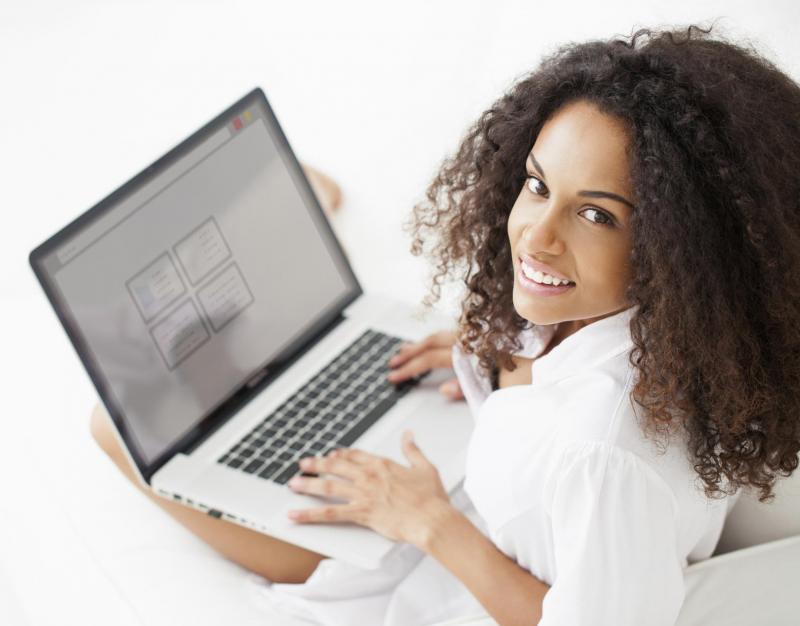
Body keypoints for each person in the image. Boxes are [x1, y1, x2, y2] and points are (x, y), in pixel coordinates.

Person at [90, 24, 800, 625]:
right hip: (455, 502)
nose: (536, 237)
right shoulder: (667, 328)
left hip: (432, 577)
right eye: (537, 184)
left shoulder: (605, 455)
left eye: (596, 214)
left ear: (679, 243)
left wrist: (427, 522)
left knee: (115, 422)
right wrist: (492, 362)